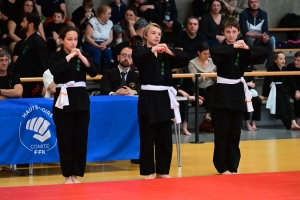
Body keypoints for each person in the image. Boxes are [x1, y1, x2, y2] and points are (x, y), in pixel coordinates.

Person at [209, 17, 268, 174]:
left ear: (238, 32)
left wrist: (246, 48)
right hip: (222, 92)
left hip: (237, 92)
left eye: (234, 32)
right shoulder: (220, 49)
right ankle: (222, 166)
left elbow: (264, 52)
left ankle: (233, 166)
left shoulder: (242, 48)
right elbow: (214, 51)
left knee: (235, 131)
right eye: (228, 31)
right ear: (223, 32)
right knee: (222, 131)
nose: (231, 34)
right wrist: (234, 46)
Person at [132, 23, 188, 179]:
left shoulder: (166, 54)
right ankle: (148, 171)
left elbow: (184, 59)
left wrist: (168, 51)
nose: (157, 36)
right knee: (147, 137)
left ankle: (163, 171)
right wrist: (152, 50)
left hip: (164, 97)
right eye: (153, 33)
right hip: (148, 97)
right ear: (145, 35)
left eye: (159, 34)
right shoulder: (141, 52)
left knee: (164, 138)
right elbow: (136, 59)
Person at [48, 25, 99, 184]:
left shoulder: (82, 54)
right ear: (62, 40)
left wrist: (81, 57)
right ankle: (67, 175)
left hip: (81, 99)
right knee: (65, 138)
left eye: (75, 39)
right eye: (69, 39)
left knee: (80, 138)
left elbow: (94, 71)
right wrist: (69, 57)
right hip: (63, 99)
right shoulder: (55, 56)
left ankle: (76, 174)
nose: (73, 42)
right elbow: (55, 71)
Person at [12, 12, 48, 98]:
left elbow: (44, 64)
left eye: (24, 21)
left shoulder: (38, 42)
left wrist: (45, 84)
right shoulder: (24, 42)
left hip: (33, 82)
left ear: (31, 24)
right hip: (22, 81)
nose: (21, 24)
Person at [262, 53, 300, 130]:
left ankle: (293, 122)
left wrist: (288, 91)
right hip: (275, 90)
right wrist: (266, 94)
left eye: (284, 58)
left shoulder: (285, 69)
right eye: (281, 59)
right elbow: (267, 82)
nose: (283, 60)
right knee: (281, 109)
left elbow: (287, 82)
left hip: (284, 89)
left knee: (289, 106)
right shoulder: (271, 68)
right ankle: (289, 125)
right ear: (276, 60)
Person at [239, 0, 273, 68]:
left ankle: (270, 65)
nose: (254, 4)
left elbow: (265, 29)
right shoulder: (243, 14)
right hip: (247, 40)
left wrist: (265, 36)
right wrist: (258, 36)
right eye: (252, 2)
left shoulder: (264, 14)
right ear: (248, 4)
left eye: (256, 2)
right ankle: (251, 65)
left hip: (259, 40)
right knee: (249, 40)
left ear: (258, 3)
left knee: (271, 40)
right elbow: (245, 32)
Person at [188, 42, 216, 123]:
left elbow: (217, 79)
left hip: (211, 86)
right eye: (204, 54)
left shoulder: (212, 61)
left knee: (214, 91)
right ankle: (209, 114)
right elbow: (195, 80)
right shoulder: (192, 63)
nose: (207, 56)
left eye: (208, 54)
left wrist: (214, 75)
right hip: (199, 87)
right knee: (210, 96)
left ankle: (208, 113)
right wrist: (206, 75)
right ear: (199, 52)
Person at [82, 5, 113, 70]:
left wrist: (105, 44)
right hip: (90, 43)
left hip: (104, 44)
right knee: (97, 52)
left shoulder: (110, 23)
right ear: (102, 14)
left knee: (108, 52)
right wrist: (97, 46)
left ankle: (106, 72)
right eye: (109, 14)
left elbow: (111, 38)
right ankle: (95, 72)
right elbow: (87, 37)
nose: (110, 15)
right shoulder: (92, 21)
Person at [243, 65, 261, 131]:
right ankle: (246, 121)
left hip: (248, 90)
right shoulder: (238, 66)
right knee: (247, 100)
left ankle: (253, 120)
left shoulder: (250, 67)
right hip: (239, 90)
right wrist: (247, 84)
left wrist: (251, 84)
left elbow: (252, 83)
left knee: (258, 100)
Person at [287, 51, 300, 125]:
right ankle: (297, 119)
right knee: (298, 98)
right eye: (295, 60)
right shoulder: (290, 66)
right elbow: (291, 80)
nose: (295, 62)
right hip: (292, 89)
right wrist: (297, 90)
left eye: (298, 61)